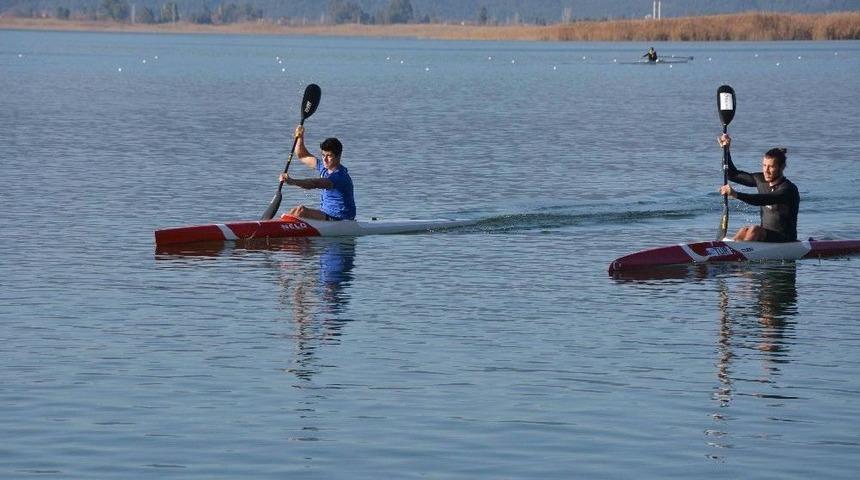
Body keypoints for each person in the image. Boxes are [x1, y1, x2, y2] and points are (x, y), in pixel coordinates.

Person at [717, 133, 799, 242]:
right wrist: (726, 150)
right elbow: (731, 174)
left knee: (755, 230)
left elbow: (764, 199)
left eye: (771, 166)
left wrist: (736, 194)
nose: (766, 170)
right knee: (744, 230)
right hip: (765, 236)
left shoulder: (788, 189)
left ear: (782, 167)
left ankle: (739, 253)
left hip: (786, 239)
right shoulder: (760, 180)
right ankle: (729, 251)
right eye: (764, 165)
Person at [279, 125, 356, 221]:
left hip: (341, 219)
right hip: (326, 213)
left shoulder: (339, 176)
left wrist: (292, 181)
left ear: (338, 156)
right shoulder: (324, 167)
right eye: (323, 155)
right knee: (294, 211)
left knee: (301, 211)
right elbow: (302, 155)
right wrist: (300, 137)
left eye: (329, 156)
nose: (325, 159)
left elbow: (313, 184)